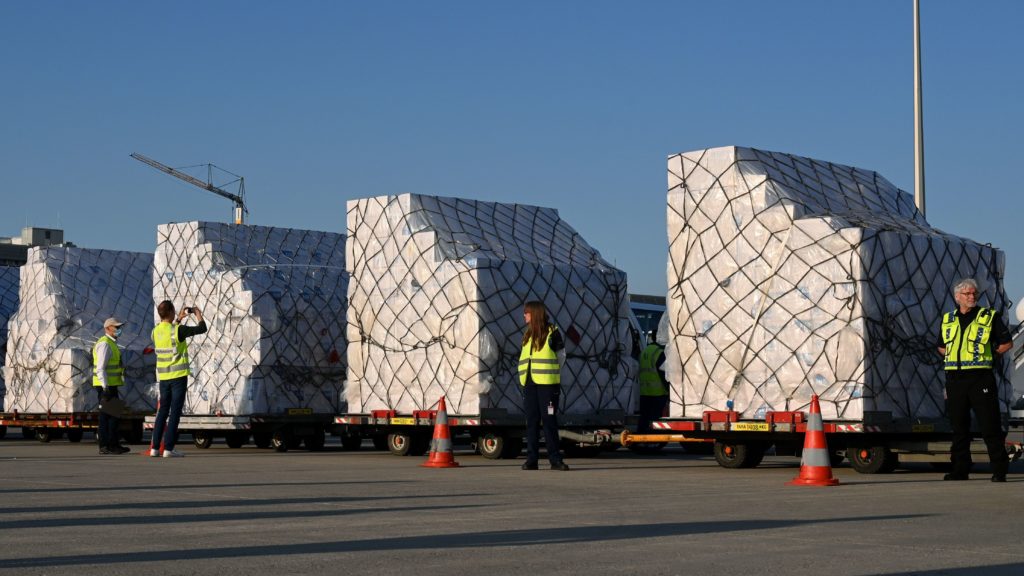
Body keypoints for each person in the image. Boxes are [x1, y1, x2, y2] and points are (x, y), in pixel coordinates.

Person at [937, 278, 1012, 482]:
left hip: (980, 378)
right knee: (959, 428)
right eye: (967, 294)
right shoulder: (947, 319)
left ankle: (999, 470)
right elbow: (941, 346)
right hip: (955, 379)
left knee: (990, 426)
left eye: (974, 294)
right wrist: (953, 356)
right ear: (957, 297)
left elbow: (1006, 343)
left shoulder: (989, 316)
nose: (972, 297)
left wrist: (991, 355)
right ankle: (960, 469)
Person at [149, 301, 206, 458]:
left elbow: (169, 333)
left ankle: (154, 448)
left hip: (164, 377)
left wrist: (178, 319)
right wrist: (198, 314)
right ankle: (168, 448)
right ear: (172, 311)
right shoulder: (178, 330)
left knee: (162, 412)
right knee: (175, 413)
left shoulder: (155, 332)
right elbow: (202, 329)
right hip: (178, 377)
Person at [518, 300, 569, 471]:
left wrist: (552, 371)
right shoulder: (527, 335)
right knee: (531, 422)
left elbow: (561, 356)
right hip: (530, 383)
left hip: (547, 385)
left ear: (535, 313)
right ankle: (531, 459)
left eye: (526, 312)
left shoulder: (552, 332)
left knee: (549, 421)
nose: (524, 315)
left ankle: (555, 459)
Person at [93, 317, 130, 455]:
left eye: (119, 327)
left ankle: (111, 445)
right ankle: (108, 445)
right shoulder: (105, 344)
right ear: (107, 328)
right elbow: (100, 368)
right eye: (116, 327)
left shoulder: (112, 343)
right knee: (108, 417)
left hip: (111, 385)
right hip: (106, 387)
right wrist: (105, 387)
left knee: (111, 416)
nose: (118, 329)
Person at [636, 341, 669, 435]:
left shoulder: (644, 352)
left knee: (644, 417)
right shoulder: (659, 353)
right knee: (655, 419)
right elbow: (663, 374)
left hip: (644, 391)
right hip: (658, 392)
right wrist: (668, 389)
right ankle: (652, 438)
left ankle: (641, 437)